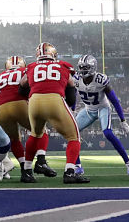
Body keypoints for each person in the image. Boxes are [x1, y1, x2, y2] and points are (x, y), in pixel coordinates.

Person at [17, 42, 88, 184]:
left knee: (35, 134)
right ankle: (69, 172)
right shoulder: (63, 65)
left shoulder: (31, 67)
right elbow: (72, 91)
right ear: (53, 54)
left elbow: (21, 87)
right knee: (74, 137)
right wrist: (67, 107)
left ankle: (27, 171)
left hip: (34, 101)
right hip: (54, 99)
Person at [72, 54, 129, 175]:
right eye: (81, 67)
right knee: (72, 133)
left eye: (86, 67)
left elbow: (114, 100)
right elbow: (73, 95)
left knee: (108, 133)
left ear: (93, 67)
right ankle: (77, 166)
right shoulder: (76, 79)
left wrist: (123, 120)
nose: (83, 70)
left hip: (103, 108)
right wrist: (73, 110)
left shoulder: (101, 80)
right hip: (88, 110)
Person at [0, 55, 35, 179]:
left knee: (14, 139)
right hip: (20, 104)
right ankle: (35, 163)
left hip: (0, 108)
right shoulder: (26, 71)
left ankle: (23, 167)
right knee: (40, 132)